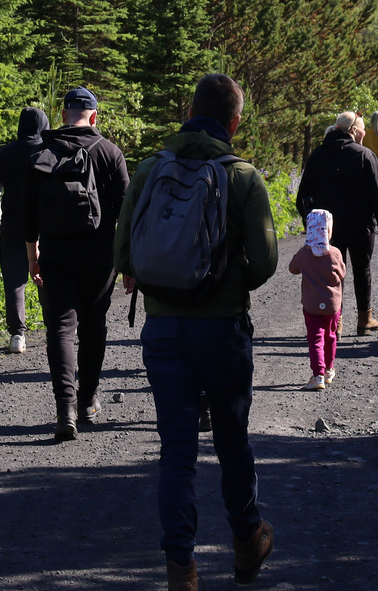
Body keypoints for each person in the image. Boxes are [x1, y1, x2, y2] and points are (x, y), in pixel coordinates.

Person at [115, 73, 279, 591]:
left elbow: (124, 255)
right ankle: (247, 538)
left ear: (189, 113)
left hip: (163, 329)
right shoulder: (244, 177)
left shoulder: (149, 169)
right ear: (235, 123)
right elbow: (266, 263)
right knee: (232, 438)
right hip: (222, 330)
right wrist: (225, 282)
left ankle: (181, 570)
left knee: (177, 451)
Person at [23, 88, 128, 440]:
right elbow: (127, 213)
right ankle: (87, 403)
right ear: (94, 116)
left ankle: (64, 409)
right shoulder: (110, 152)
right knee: (93, 326)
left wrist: (33, 257)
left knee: (60, 329)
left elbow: (27, 214)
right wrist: (128, 263)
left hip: (55, 254)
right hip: (99, 257)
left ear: (63, 115)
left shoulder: (41, 154)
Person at [296, 110, 378, 335]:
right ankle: (364, 319)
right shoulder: (365, 155)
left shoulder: (318, 155)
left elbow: (302, 195)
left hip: (327, 228)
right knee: (362, 269)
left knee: (332, 272)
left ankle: (335, 322)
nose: (365, 133)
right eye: (363, 129)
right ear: (355, 130)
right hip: (360, 225)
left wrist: (310, 221)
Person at [0, 105, 47, 354]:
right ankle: (55, 325)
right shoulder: (47, 150)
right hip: (43, 225)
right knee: (46, 273)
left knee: (14, 280)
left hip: (12, 223)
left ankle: (17, 335)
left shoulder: (5, 153)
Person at [288, 209, 346, 390]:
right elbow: (342, 273)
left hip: (311, 304)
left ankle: (317, 375)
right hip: (332, 304)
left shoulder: (304, 254)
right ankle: (328, 369)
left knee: (315, 338)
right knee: (330, 335)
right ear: (328, 230)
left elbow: (292, 268)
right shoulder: (335, 253)